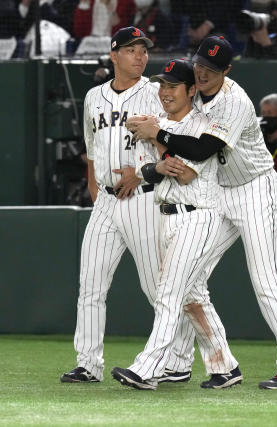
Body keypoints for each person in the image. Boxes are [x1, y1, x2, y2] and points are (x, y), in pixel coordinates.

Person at [124, 36, 277, 390]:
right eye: (199, 65)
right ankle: (209, 365)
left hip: (253, 187)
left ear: (227, 69)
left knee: (266, 280)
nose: (203, 72)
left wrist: (157, 131)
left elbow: (204, 147)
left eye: (212, 68)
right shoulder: (190, 96)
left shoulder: (234, 101)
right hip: (217, 193)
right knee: (189, 279)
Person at [60, 27, 192, 384]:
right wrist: (94, 186)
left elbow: (174, 141)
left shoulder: (155, 93)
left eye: (144, 50)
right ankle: (88, 363)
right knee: (90, 284)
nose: (140, 56)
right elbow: (91, 148)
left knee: (156, 287)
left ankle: (179, 360)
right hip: (105, 200)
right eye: (132, 50)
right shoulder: (93, 97)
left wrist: (145, 173)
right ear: (114, 55)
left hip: (144, 199)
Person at [111, 58, 240, 391]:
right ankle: (225, 366)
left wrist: (157, 139)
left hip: (197, 215)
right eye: (162, 85)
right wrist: (157, 154)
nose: (165, 92)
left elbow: (187, 168)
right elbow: (156, 172)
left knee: (168, 293)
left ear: (191, 90)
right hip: (168, 214)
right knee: (192, 297)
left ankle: (148, 368)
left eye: (173, 85)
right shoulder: (162, 123)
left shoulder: (205, 125)